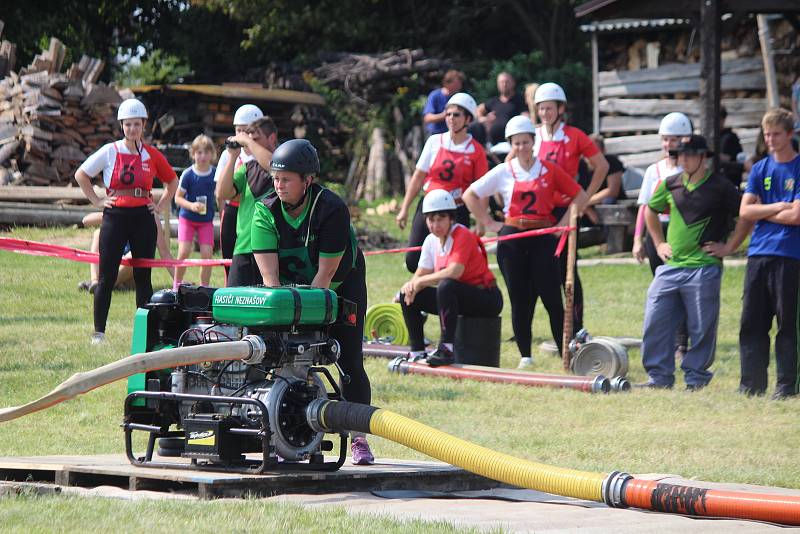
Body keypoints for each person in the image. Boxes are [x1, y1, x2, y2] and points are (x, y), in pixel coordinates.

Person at [251, 139, 374, 465]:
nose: (279, 186)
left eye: (287, 179)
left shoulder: (331, 208)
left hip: (339, 285)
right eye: (275, 179)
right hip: (291, 289)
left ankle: (359, 437)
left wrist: (306, 325)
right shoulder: (264, 211)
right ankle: (276, 430)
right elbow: (270, 284)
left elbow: (324, 279)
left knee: (349, 359)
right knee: (274, 353)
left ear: (308, 180)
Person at [463, 115, 588, 368]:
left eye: (525, 142)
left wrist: (562, 224)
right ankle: (525, 355)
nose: (521, 147)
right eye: (516, 143)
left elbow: (579, 195)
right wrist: (489, 223)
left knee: (551, 296)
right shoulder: (503, 171)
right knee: (519, 298)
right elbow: (470, 195)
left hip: (543, 237)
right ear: (511, 145)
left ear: (534, 141)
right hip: (513, 240)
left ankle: (566, 353)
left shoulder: (549, 169)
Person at [639, 135, 750, 390]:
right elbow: (649, 210)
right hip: (671, 267)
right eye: (680, 154)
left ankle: (695, 379)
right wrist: (658, 244)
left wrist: (730, 247)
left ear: (703, 156)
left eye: (689, 154)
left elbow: (746, 214)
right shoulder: (669, 184)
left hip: (704, 268)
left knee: (702, 328)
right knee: (654, 321)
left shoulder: (721, 187)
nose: (683, 159)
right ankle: (659, 378)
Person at [74, 98, 178, 344]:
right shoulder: (110, 150)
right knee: (106, 278)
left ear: (144, 125)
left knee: (144, 278)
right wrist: (97, 202)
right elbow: (82, 175)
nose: (132, 129)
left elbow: (172, 181)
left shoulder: (151, 154)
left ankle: (145, 334)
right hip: (115, 217)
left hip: (143, 217)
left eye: (136, 124)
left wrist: (161, 205)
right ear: (122, 126)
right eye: (128, 124)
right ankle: (99, 333)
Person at [531, 82, 609, 337]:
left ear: (560, 109)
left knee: (567, 269)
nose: (545, 113)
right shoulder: (531, 137)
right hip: (537, 213)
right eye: (541, 108)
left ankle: (576, 327)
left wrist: (584, 200)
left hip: (566, 209)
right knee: (540, 270)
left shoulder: (575, 135)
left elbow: (602, 166)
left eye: (549, 108)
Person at [399, 189, 503, 367]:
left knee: (446, 285)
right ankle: (417, 350)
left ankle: (446, 349)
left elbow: (455, 272)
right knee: (407, 293)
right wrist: (410, 286)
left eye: (441, 219)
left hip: (487, 298)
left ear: (451, 218)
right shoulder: (430, 241)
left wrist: (419, 282)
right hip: (457, 298)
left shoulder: (462, 234)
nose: (435, 224)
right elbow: (421, 274)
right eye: (431, 219)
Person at [737, 108, 800, 400]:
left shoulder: (798, 168)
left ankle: (786, 386)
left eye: (776, 134)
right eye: (766, 134)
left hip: (789, 254)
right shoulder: (760, 168)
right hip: (758, 253)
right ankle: (751, 384)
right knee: (752, 321)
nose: (771, 139)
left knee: (786, 324)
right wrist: (778, 207)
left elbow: (797, 216)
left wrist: (764, 211)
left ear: (790, 134)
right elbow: (744, 210)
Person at [397, 92, 488, 273]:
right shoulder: (434, 142)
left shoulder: (476, 151)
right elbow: (418, 177)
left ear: (468, 118)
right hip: (429, 205)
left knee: (451, 260)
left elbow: (481, 189)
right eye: (448, 114)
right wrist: (404, 208)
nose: (451, 118)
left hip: (456, 209)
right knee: (412, 260)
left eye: (456, 114)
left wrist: (481, 220)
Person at [632, 112, 692, 359]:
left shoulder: (691, 170)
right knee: (661, 286)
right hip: (657, 229)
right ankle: (664, 338)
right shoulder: (653, 171)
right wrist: (638, 238)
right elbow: (645, 206)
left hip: (681, 232)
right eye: (665, 139)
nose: (669, 145)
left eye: (674, 139)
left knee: (683, 287)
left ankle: (681, 342)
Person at [215, 116, 278, 286]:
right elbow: (222, 192)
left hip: (273, 250)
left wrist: (248, 142)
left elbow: (275, 167)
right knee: (233, 307)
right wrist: (233, 157)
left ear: (271, 138)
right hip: (243, 248)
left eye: (255, 139)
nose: (250, 143)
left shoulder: (283, 162)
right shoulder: (248, 168)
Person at [78, 210, 175, 294]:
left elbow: (164, 253)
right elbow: (85, 221)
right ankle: (95, 281)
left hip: (132, 273)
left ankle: (102, 286)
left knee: (136, 254)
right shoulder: (117, 211)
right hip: (114, 263)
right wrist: (111, 214)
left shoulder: (150, 216)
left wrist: (178, 280)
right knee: (98, 233)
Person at [174, 134, 216, 289]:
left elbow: (221, 196)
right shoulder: (188, 174)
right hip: (187, 219)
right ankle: (176, 284)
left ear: (212, 154)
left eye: (206, 152)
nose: (203, 156)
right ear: (193, 154)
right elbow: (177, 198)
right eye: (199, 152)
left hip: (206, 221)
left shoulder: (215, 174)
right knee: (184, 252)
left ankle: (204, 288)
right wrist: (191, 206)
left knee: (207, 255)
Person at [476, 72, 529, 147]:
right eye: (501, 82)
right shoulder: (493, 101)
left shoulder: (520, 100)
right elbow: (479, 109)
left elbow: (526, 117)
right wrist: (483, 119)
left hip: (511, 143)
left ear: (513, 83)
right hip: (492, 144)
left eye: (507, 82)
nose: (504, 84)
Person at [422, 69, 465, 136]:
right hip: (435, 134)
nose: (460, 86)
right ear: (447, 83)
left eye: (460, 83)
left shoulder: (458, 97)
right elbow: (427, 118)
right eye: (457, 83)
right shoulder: (435, 96)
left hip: (452, 134)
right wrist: (445, 115)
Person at [719, 106, 745, 188]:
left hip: (730, 183)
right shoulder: (708, 138)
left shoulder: (730, 138)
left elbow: (739, 162)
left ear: (723, 120)